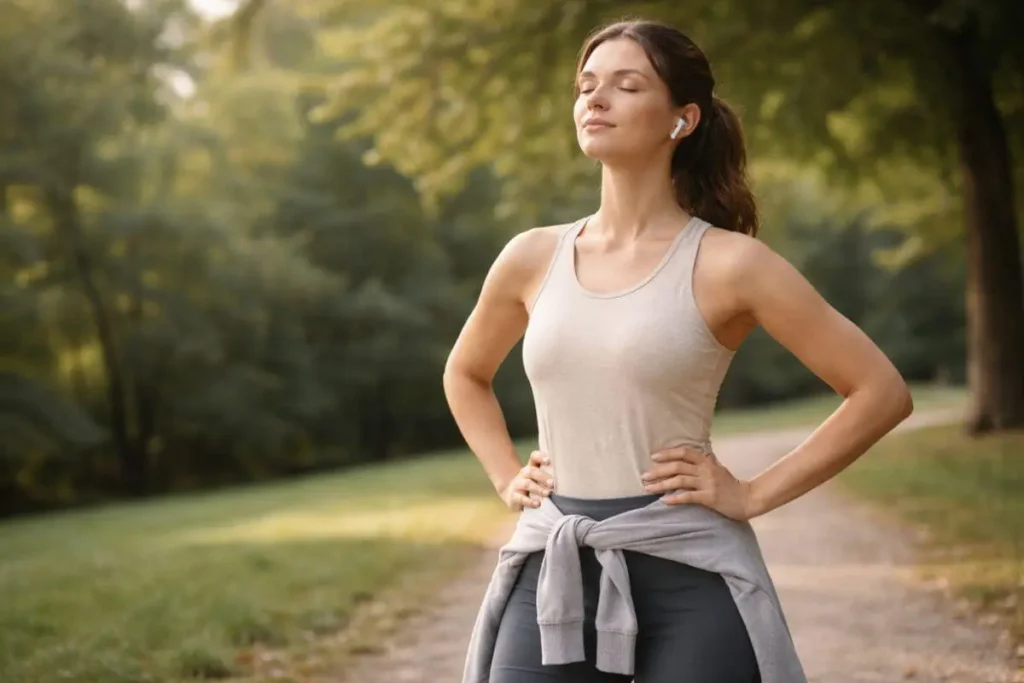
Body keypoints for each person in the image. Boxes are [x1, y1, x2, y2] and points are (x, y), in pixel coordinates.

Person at [442, 18, 913, 683]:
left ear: (682, 119)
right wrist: (503, 474)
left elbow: (881, 391)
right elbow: (465, 372)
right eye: (586, 85)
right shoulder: (530, 257)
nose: (595, 100)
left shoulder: (731, 265)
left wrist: (751, 493)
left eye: (625, 85)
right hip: (554, 565)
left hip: (691, 569)